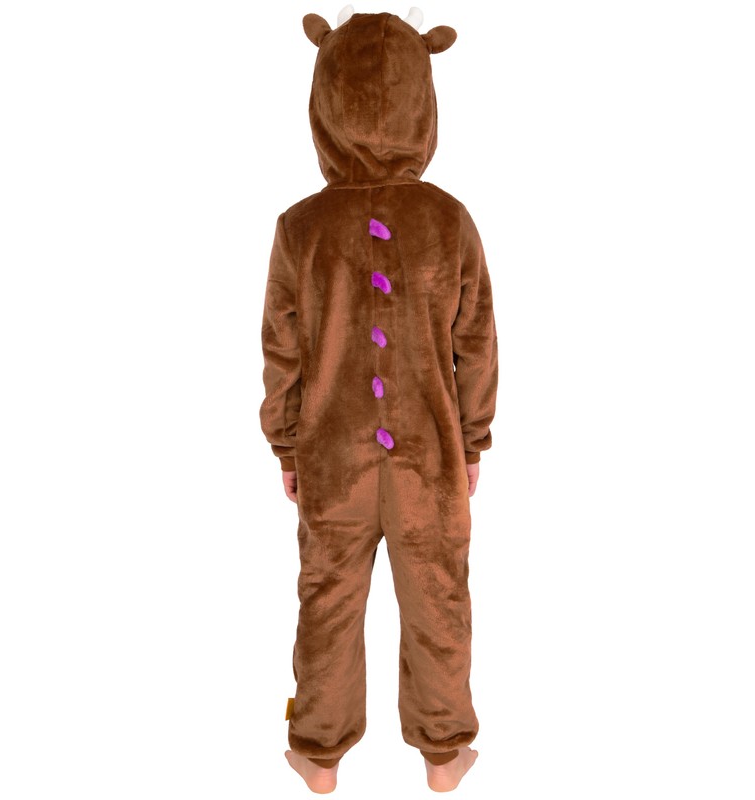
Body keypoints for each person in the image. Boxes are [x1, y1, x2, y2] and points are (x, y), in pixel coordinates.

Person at [259, 8, 498, 793]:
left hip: (332, 457)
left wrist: (288, 445)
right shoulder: (448, 220)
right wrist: (471, 442)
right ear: (422, 102)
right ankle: (443, 754)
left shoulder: (300, 228)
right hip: (430, 457)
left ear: (323, 101)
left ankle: (318, 753)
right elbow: (476, 344)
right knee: (439, 598)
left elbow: (282, 352)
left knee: (327, 600)